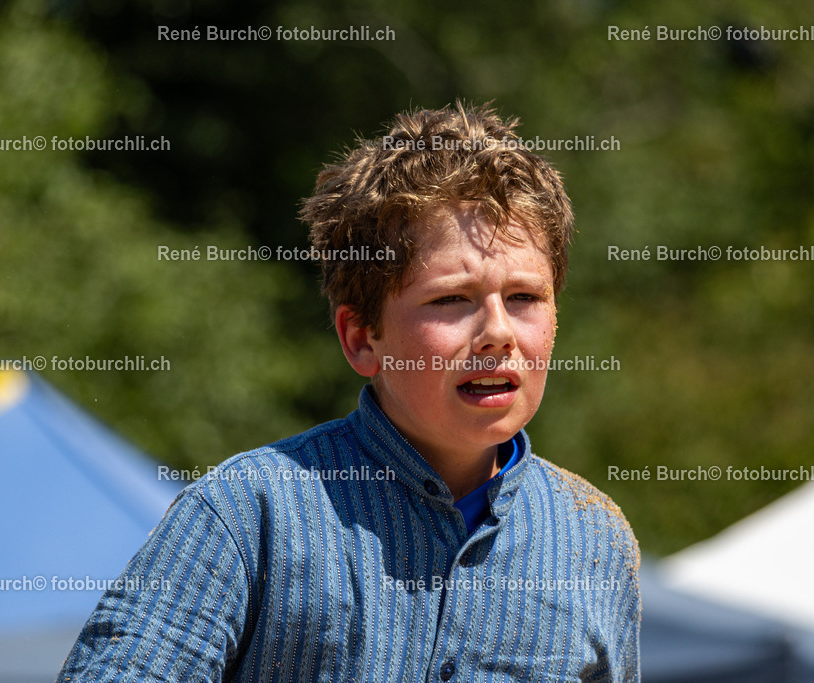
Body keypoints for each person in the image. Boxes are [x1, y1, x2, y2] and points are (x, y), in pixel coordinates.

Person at [57, 101, 640, 682]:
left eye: (524, 298)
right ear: (361, 338)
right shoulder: (248, 514)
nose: (498, 332)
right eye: (451, 299)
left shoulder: (594, 540)